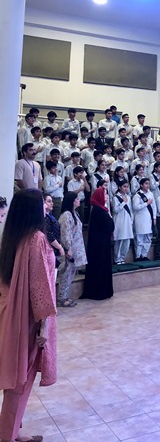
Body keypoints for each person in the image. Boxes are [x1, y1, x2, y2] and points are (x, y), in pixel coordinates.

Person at [0, 189, 57, 442]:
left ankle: (13, 431)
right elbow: (39, 284)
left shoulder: (12, 237)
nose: (46, 207)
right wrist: (43, 325)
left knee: (16, 377)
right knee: (19, 381)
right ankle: (7, 436)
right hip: (27, 319)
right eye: (42, 204)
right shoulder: (37, 239)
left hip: (10, 313)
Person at [82, 182, 114, 300]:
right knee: (100, 266)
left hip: (102, 242)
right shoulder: (99, 210)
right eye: (104, 194)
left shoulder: (100, 209)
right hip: (100, 245)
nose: (106, 196)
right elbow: (109, 226)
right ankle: (99, 291)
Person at [58, 192, 87, 307]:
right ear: (72, 201)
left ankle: (65, 296)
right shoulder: (66, 215)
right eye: (76, 199)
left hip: (76, 247)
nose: (78, 200)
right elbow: (66, 233)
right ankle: (61, 298)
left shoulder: (74, 214)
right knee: (65, 274)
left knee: (70, 273)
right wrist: (68, 248)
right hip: (70, 249)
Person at [132, 178, 157, 261]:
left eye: (148, 184)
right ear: (141, 185)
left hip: (149, 218)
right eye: (146, 184)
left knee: (148, 238)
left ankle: (144, 255)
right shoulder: (137, 195)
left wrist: (154, 217)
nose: (148, 185)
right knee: (139, 238)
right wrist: (146, 203)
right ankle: (138, 256)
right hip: (140, 219)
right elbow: (135, 207)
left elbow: (154, 206)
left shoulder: (151, 194)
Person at [112, 181, 134, 265]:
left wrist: (131, 220)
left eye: (127, 187)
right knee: (119, 240)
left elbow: (130, 210)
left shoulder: (128, 197)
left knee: (127, 240)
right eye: (124, 186)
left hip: (127, 220)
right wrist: (123, 202)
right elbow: (115, 210)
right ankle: (117, 259)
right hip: (119, 220)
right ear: (120, 187)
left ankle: (122, 257)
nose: (126, 188)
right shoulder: (116, 197)